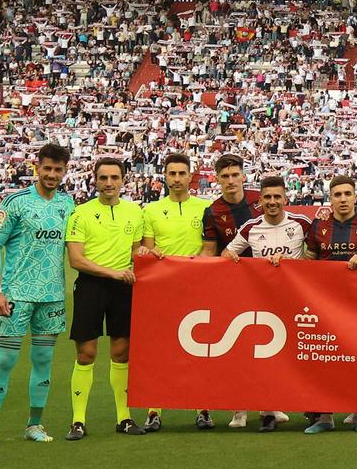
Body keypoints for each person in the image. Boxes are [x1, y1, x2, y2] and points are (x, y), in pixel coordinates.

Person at [0, 142, 74, 450]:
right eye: (47, 168)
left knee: (43, 359)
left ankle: (35, 423)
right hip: (15, 295)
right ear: (37, 167)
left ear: (65, 171)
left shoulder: (68, 204)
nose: (52, 174)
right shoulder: (16, 202)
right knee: (5, 360)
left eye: (58, 170)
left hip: (52, 296)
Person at [63, 158, 150, 441]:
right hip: (91, 286)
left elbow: (139, 252)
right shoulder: (80, 213)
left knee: (121, 353)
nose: (109, 183)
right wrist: (112, 273)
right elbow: (76, 259)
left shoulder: (135, 212)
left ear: (124, 180)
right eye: (103, 178)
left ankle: (123, 418)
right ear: (95, 180)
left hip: (123, 288)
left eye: (114, 177)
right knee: (85, 353)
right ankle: (78, 421)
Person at [222, 176, 314, 431]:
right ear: (260, 201)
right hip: (259, 302)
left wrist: (296, 264)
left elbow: (317, 252)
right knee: (256, 355)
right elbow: (227, 254)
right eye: (267, 198)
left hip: (293, 302)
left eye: (277, 197)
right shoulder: (251, 227)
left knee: (288, 358)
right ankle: (245, 409)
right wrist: (237, 262)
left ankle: (277, 407)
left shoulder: (302, 223)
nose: (272, 202)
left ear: (285, 199)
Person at [303, 176, 357, 435]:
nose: (342, 199)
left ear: (356, 197)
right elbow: (307, 263)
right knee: (325, 359)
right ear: (330, 198)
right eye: (337, 194)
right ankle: (324, 416)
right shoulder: (319, 227)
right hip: (325, 305)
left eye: (347, 194)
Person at [139, 152, 210, 430]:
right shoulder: (151, 211)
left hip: (198, 287)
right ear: (165, 176)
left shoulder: (205, 208)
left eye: (182, 173)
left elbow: (210, 246)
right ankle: (154, 410)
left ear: (190, 176)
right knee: (160, 351)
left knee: (201, 348)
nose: (177, 178)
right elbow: (148, 247)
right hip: (163, 288)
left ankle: (203, 408)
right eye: (172, 173)